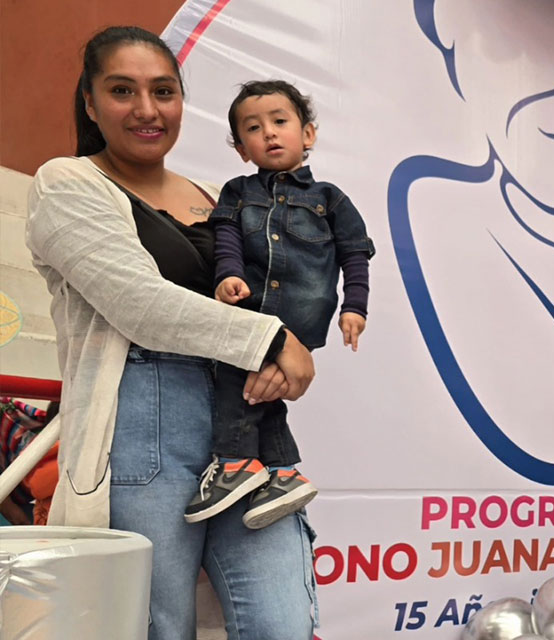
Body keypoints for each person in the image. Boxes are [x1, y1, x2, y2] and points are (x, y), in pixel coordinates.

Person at [25, 26, 318, 639]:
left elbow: (272, 288)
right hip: (141, 427)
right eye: (122, 90)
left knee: (283, 623)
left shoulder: (213, 196)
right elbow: (138, 303)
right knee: (155, 626)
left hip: (242, 426)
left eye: (163, 90)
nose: (146, 109)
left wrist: (293, 346)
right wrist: (270, 341)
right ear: (89, 102)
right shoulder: (67, 183)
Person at [183, 80, 373, 530]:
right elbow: (226, 237)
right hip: (252, 305)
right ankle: (282, 473)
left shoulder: (331, 199)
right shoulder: (236, 191)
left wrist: (356, 307)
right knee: (264, 387)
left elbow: (355, 253)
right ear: (241, 148)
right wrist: (228, 274)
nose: (269, 133)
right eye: (253, 127)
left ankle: (234, 462)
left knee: (236, 377)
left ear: (307, 134)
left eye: (280, 121)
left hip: (303, 311)